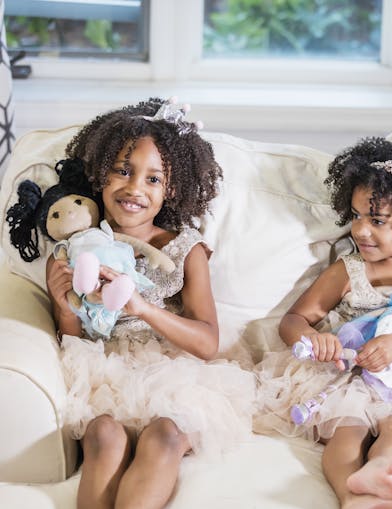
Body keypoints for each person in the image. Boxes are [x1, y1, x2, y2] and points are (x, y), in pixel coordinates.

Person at [45, 98, 255, 509]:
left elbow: (207, 342)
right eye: (122, 170)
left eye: (153, 179)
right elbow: (73, 339)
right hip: (104, 371)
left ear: (172, 189)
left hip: (176, 374)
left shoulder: (184, 250)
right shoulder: (77, 247)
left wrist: (143, 308)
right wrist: (62, 304)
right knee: (103, 433)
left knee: (165, 434)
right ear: (100, 172)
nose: (134, 188)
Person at [255, 136, 392, 509]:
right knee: (348, 432)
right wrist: (312, 338)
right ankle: (352, 498)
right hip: (343, 377)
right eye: (355, 216)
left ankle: (382, 471)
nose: (360, 230)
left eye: (377, 220)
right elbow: (294, 319)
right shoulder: (351, 270)